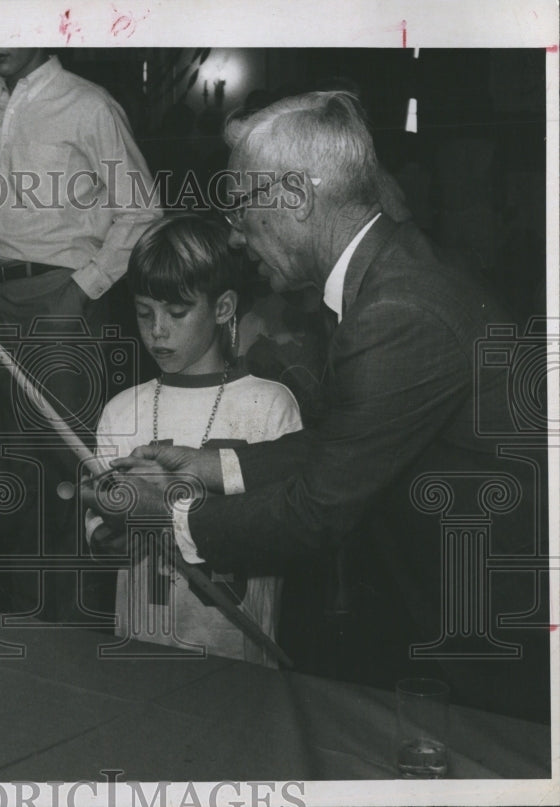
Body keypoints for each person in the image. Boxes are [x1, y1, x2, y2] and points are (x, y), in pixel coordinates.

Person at [84, 91, 549, 721]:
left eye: (243, 206)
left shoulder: (395, 311)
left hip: (488, 623)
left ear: (297, 198)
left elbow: (317, 512)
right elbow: (346, 438)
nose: (236, 232)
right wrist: (211, 464)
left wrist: (166, 512)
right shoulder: (390, 278)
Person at [0, 48, 161, 620]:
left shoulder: (89, 103)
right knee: (7, 463)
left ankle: (74, 630)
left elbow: (144, 210)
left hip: (63, 296)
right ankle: (21, 620)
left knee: (67, 467)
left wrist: (82, 289)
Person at [88, 214, 302, 663]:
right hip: (142, 650)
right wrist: (115, 533)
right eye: (145, 313)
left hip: (239, 656)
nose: (158, 330)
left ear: (223, 308)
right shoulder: (121, 411)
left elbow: (285, 533)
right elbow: (106, 547)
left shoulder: (271, 404)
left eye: (177, 313)